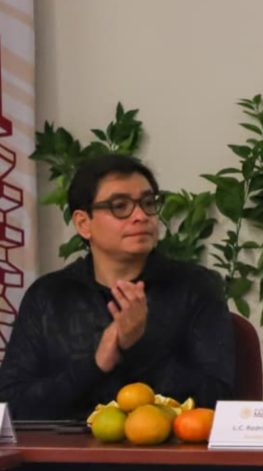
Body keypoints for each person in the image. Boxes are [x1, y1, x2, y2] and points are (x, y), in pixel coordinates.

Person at [0, 154, 235, 420]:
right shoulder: (49, 296)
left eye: (148, 203)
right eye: (120, 206)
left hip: (167, 446)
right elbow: (10, 405)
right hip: (67, 447)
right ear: (83, 224)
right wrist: (95, 365)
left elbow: (220, 400)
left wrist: (138, 346)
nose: (141, 216)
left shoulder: (195, 287)